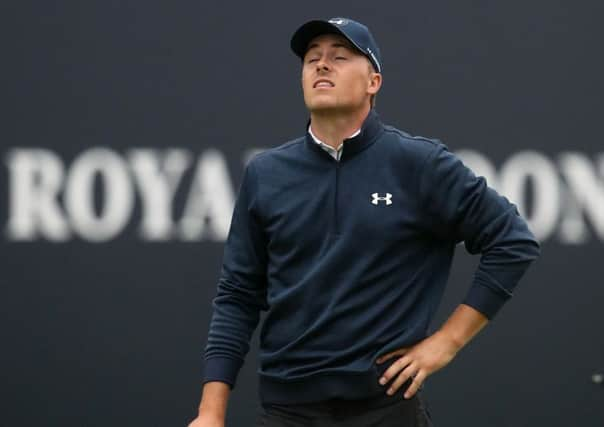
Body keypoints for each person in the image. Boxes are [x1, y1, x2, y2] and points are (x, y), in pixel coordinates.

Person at [188, 17, 541, 427]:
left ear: (373, 82)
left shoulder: (417, 163)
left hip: (386, 408)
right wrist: (211, 412)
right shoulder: (266, 173)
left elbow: (513, 241)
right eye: (312, 59)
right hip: (287, 409)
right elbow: (238, 294)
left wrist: (447, 342)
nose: (321, 65)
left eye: (339, 57)